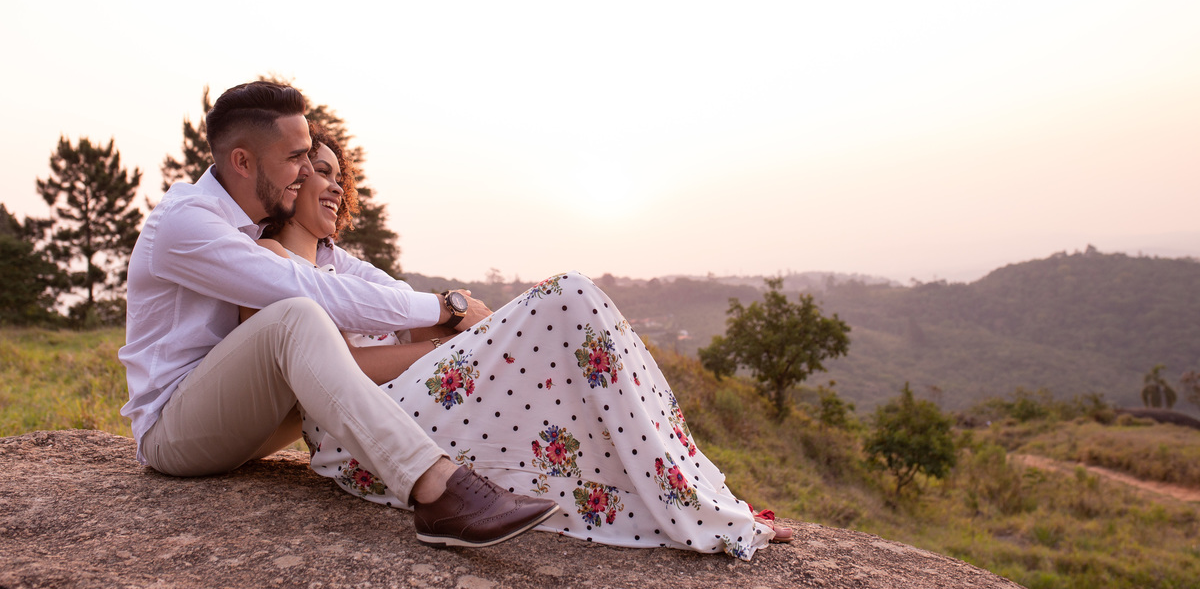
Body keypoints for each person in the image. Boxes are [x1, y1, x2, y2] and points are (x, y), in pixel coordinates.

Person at [245, 121, 791, 561]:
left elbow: (429, 313)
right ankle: (689, 502)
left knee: (569, 315)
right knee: (566, 295)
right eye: (319, 172)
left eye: (339, 175)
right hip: (361, 430)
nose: (336, 186)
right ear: (290, 183)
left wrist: (458, 322)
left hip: (404, 398)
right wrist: (439, 346)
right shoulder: (269, 260)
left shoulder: (344, 265)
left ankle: (696, 494)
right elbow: (327, 374)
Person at [119, 81, 559, 548]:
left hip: (248, 419)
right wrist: (443, 307)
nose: (307, 171)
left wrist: (465, 319)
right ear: (243, 162)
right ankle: (437, 489)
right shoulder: (186, 221)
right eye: (296, 158)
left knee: (341, 321)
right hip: (174, 430)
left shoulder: (267, 232)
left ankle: (514, 467)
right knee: (295, 317)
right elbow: (308, 290)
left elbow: (374, 290)